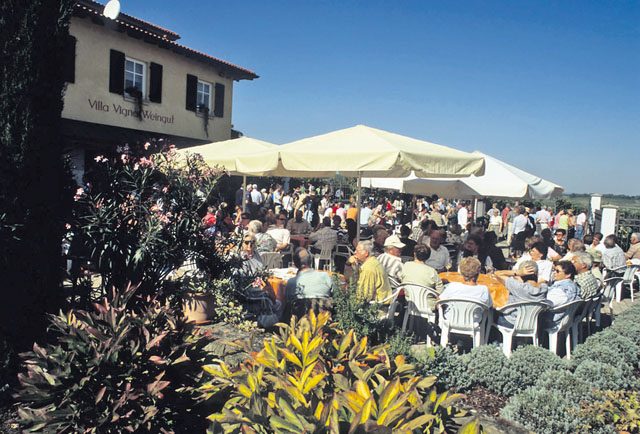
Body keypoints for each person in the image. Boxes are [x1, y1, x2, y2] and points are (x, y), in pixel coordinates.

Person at [494, 261, 549, 327]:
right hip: (533, 323)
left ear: (521, 275)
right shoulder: (544, 288)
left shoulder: (518, 287)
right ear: (537, 273)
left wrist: (518, 272)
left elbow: (497, 274)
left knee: (491, 311)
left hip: (513, 322)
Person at [285, 248, 335, 317]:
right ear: (311, 261)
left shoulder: (291, 283)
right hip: (324, 321)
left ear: (295, 264)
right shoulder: (325, 276)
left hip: (301, 323)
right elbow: (336, 295)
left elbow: (287, 302)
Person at [439, 257, 492, 322]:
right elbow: (489, 307)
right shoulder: (484, 289)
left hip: (451, 320)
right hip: (473, 322)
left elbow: (439, 302)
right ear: (479, 272)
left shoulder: (452, 286)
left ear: (461, 272)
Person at [400, 244, 444, 310]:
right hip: (428, 306)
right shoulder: (432, 271)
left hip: (410, 302)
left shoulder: (406, 266)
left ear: (414, 254)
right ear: (428, 257)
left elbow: (401, 280)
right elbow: (440, 292)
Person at [348, 240, 391, 304]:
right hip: (383, 300)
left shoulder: (368, 268)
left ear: (366, 253)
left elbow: (364, 295)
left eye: (357, 251)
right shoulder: (374, 262)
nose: (354, 252)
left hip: (376, 306)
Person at [543, 261, 580, 327]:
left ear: (568, 275)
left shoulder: (561, 290)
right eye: (553, 270)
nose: (554, 273)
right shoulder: (573, 286)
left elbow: (547, 304)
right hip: (565, 319)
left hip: (552, 320)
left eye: (557, 271)